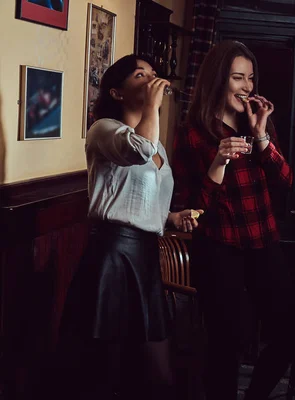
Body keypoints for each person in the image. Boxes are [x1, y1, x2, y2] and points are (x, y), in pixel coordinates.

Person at [56, 54, 200, 400]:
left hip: (147, 254)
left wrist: (171, 218)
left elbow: (136, 196)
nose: (151, 80)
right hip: (113, 256)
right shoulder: (105, 129)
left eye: (152, 74)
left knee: (158, 373)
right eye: (140, 75)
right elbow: (138, 149)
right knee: (107, 368)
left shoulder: (158, 144)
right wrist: (153, 107)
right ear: (117, 93)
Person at [171, 40, 295, 400]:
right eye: (238, 77)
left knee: (289, 331)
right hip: (218, 247)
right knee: (226, 343)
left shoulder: (256, 125)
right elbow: (191, 210)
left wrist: (261, 136)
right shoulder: (193, 132)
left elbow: (285, 183)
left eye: (251, 78)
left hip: (263, 240)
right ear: (217, 80)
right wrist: (219, 162)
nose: (247, 87)